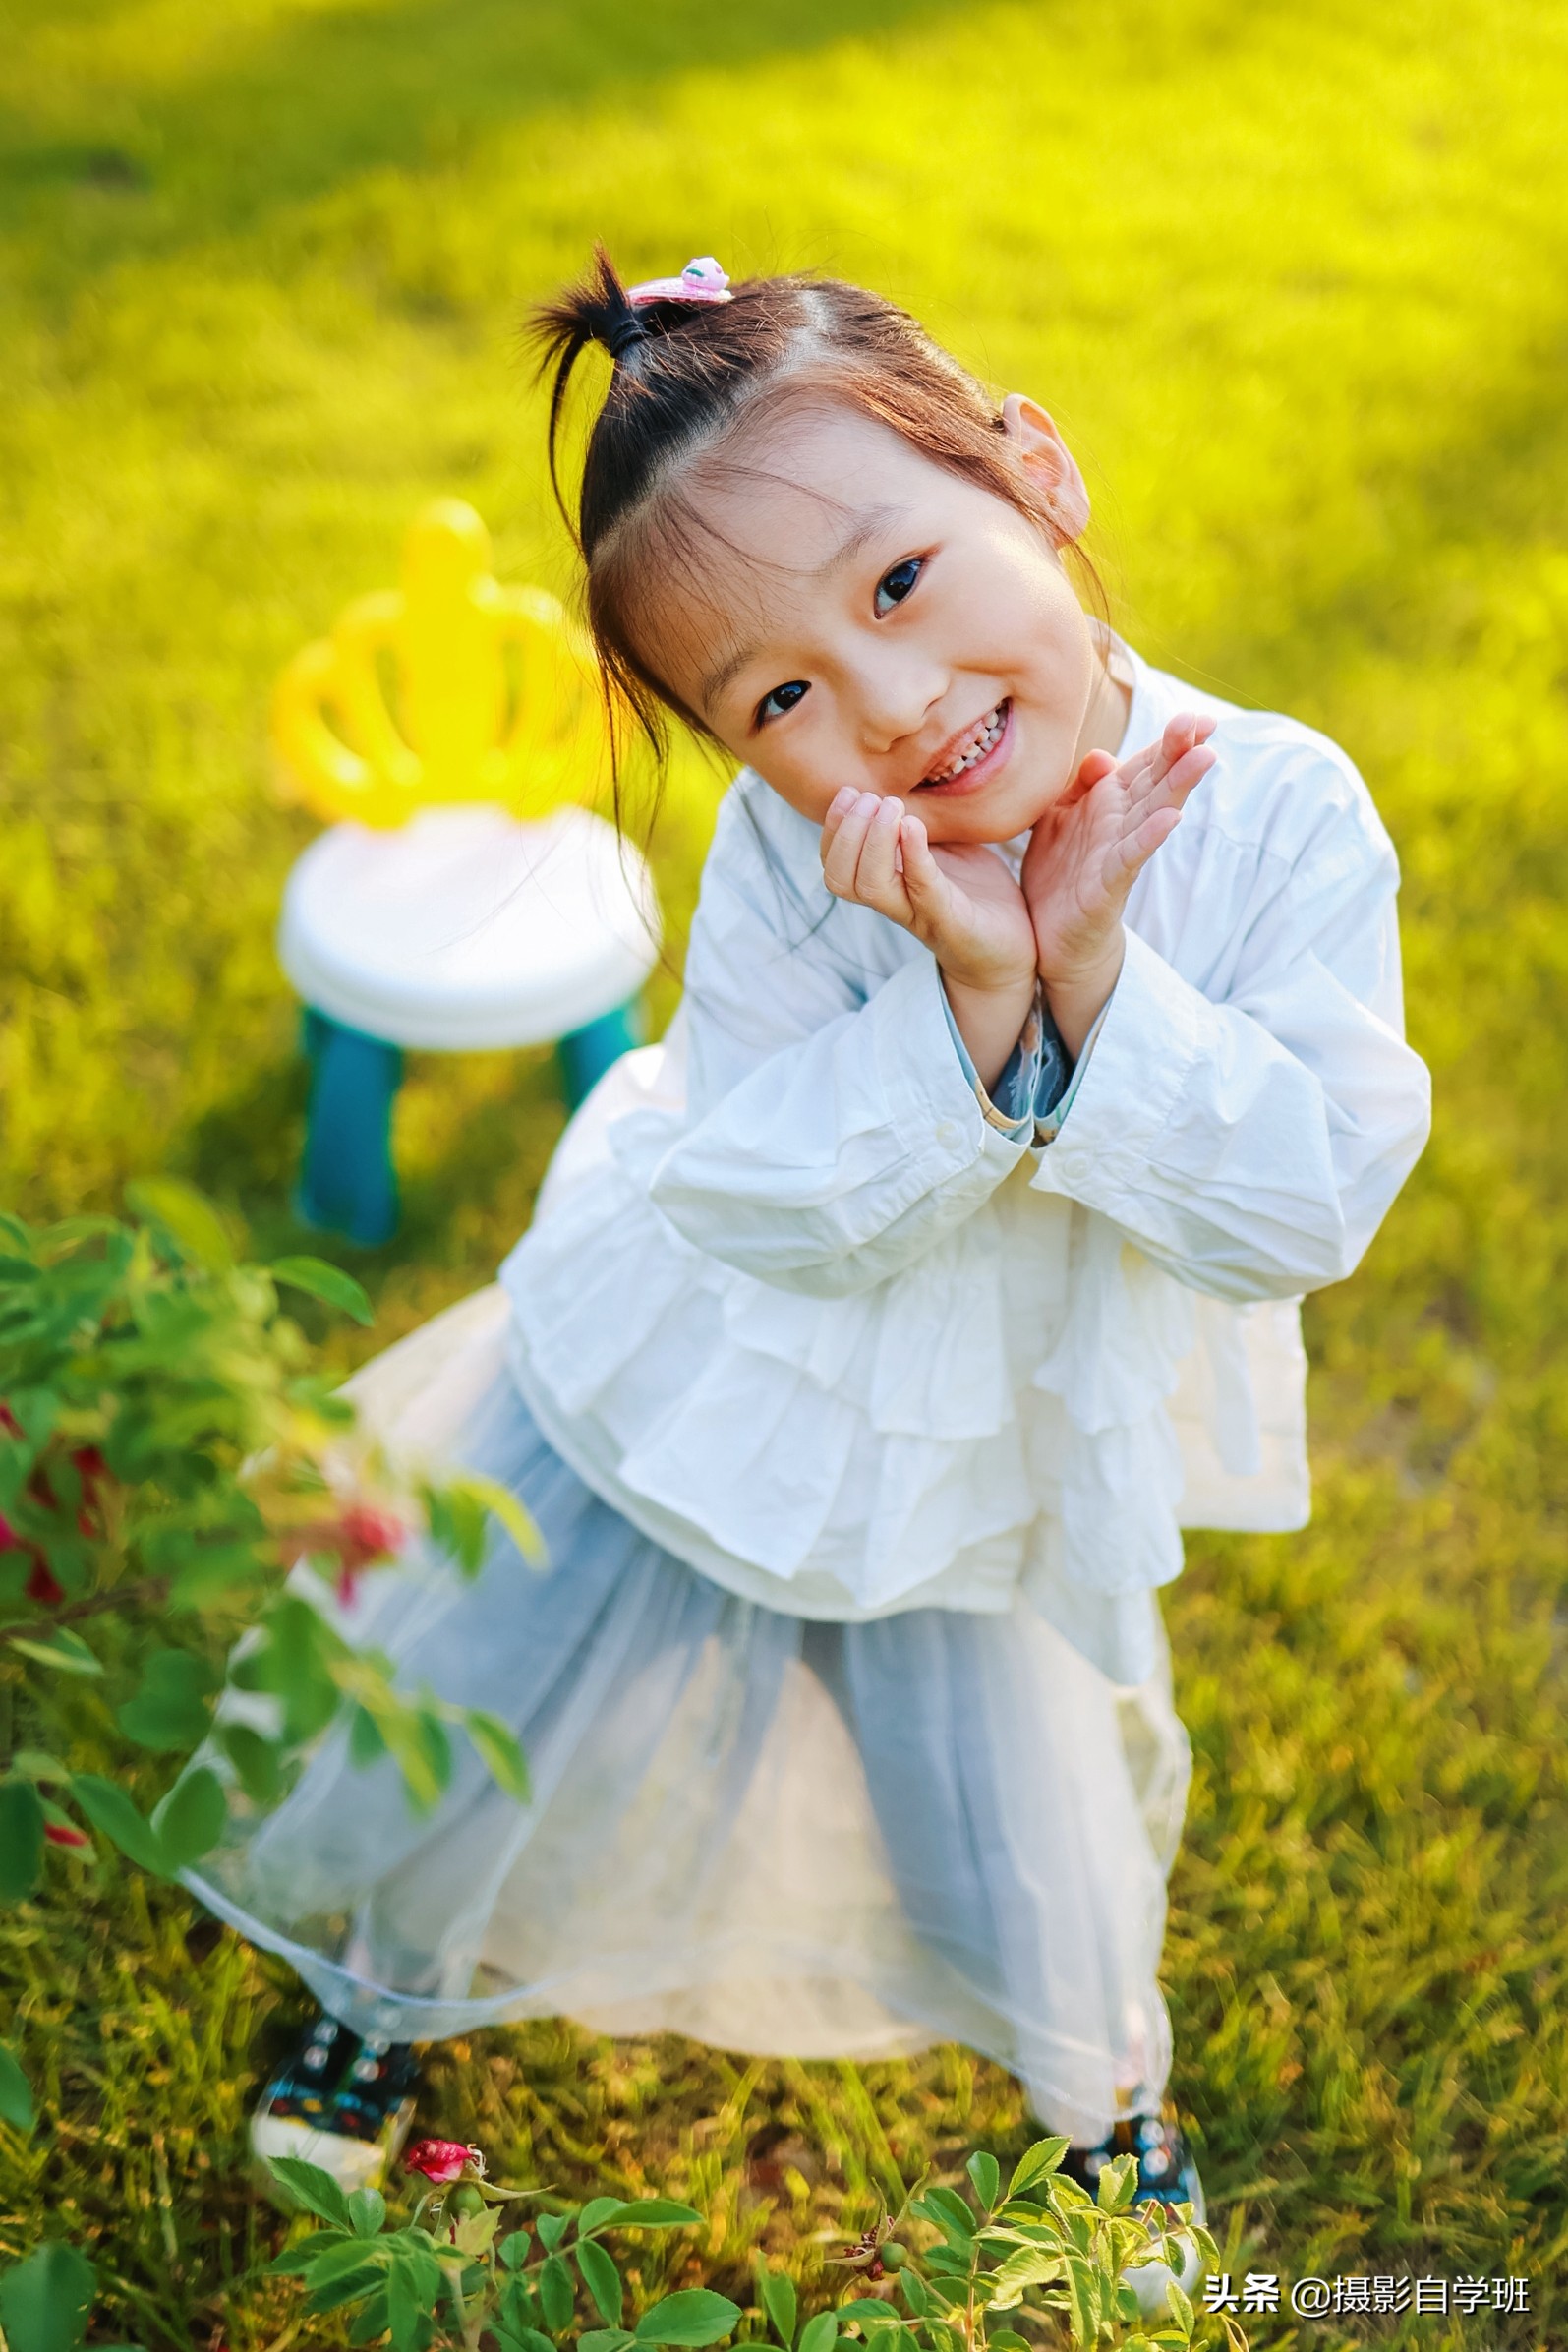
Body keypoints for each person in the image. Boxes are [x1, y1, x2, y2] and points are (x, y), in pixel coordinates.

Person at [189, 254, 1430, 2255]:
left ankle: (1098, 2102)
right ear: (721, 737)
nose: (891, 704)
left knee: (1002, 1802)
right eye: (778, 698)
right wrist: (971, 1002)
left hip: (983, 1433)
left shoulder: (1271, 812)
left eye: (901, 581)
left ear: (1036, 472)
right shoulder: (798, 851)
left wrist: (1094, 984)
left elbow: (1301, 1202)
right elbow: (765, 1199)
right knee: (494, 1680)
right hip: (702, 1366)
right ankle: (379, 1976)